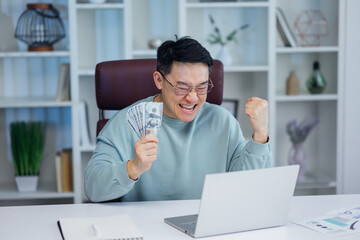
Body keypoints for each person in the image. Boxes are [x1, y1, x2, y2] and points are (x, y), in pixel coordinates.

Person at [85, 36, 272, 202]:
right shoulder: (124, 122)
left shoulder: (223, 121)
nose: (192, 98)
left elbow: (248, 187)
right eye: (182, 87)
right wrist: (132, 168)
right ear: (159, 80)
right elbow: (92, 188)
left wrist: (261, 135)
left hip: (206, 227)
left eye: (201, 87)